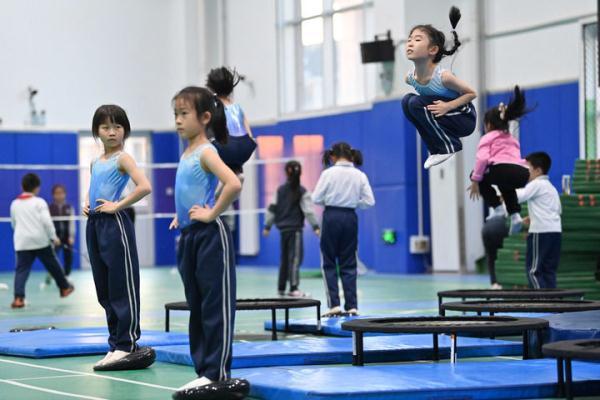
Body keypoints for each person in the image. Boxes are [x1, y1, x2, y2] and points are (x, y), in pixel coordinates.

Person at [169, 86, 248, 400]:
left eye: (184, 114)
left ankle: (216, 372)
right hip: (189, 235)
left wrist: (211, 212)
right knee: (197, 306)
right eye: (175, 114)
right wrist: (183, 216)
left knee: (214, 305)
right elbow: (194, 189)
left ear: (204, 117)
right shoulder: (187, 151)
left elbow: (233, 183)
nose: (177, 120)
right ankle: (203, 371)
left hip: (210, 237)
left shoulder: (206, 151)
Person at [84, 105, 153, 371]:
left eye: (117, 127)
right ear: (97, 132)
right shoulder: (95, 161)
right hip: (95, 224)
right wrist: (86, 202)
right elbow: (93, 188)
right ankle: (115, 344)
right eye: (105, 127)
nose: (112, 132)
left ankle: (127, 343)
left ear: (125, 130)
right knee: (104, 289)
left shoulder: (123, 159)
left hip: (115, 225)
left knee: (121, 285)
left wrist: (118, 205)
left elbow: (144, 187)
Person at [402, 6, 477, 169]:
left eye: (417, 39)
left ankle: (449, 146)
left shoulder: (443, 76)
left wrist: (448, 106)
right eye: (409, 39)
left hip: (464, 117)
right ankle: (435, 148)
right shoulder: (410, 77)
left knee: (415, 103)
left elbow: (472, 93)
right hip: (445, 115)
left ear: (433, 50)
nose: (410, 43)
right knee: (407, 102)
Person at [312, 142, 375, 317]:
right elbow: (369, 201)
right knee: (349, 262)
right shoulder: (359, 175)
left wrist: (333, 201)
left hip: (331, 216)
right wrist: (353, 203)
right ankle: (352, 306)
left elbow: (316, 198)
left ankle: (334, 305)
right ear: (351, 155)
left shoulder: (328, 174)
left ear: (332, 156)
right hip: (350, 217)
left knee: (329, 261)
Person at [468, 86, 531, 235]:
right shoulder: (511, 138)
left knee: (476, 173)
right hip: (522, 174)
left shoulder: (487, 138)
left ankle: (497, 208)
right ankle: (515, 215)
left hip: (503, 170)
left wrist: (475, 181)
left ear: (488, 125)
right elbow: (512, 160)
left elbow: (482, 159)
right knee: (506, 185)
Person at [10, 173, 74, 308]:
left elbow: (13, 224)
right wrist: (54, 238)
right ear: (37, 188)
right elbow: (47, 222)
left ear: (22, 186)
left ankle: (18, 298)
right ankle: (65, 288)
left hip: (22, 242)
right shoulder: (40, 202)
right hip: (40, 241)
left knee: (21, 270)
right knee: (53, 265)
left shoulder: (14, 203)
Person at [263, 160, 320, 297]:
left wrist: (267, 226)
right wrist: (315, 226)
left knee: (285, 258)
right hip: (295, 230)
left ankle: (281, 287)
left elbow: (272, 208)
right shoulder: (302, 191)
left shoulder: (280, 190)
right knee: (295, 259)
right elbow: (308, 211)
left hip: (283, 229)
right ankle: (294, 288)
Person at [516, 152, 562, 289]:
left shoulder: (537, 183)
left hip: (540, 232)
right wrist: (533, 217)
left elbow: (518, 197)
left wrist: (502, 190)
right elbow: (557, 210)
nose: (525, 173)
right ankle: (553, 301)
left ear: (537, 170)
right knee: (549, 270)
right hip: (555, 232)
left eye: (527, 169)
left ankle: (542, 301)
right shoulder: (551, 188)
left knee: (534, 271)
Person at [206, 66, 257, 178]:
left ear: (211, 88)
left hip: (226, 149)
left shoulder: (212, 106)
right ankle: (236, 172)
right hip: (245, 149)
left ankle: (224, 178)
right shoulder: (237, 107)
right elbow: (249, 135)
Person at [49, 184, 76, 276]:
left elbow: (72, 222)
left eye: (61, 193)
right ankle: (52, 276)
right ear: (53, 195)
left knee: (68, 258)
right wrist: (52, 237)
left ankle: (66, 276)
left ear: (65, 194)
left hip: (67, 238)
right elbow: (48, 224)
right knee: (52, 258)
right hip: (55, 238)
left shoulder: (69, 207)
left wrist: (71, 236)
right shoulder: (50, 208)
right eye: (56, 193)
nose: (59, 195)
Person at [481, 214, 509, 289]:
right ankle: (504, 281)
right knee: (505, 256)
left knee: (490, 257)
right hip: (500, 229)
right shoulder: (509, 218)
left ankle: (494, 283)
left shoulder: (497, 216)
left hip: (485, 229)